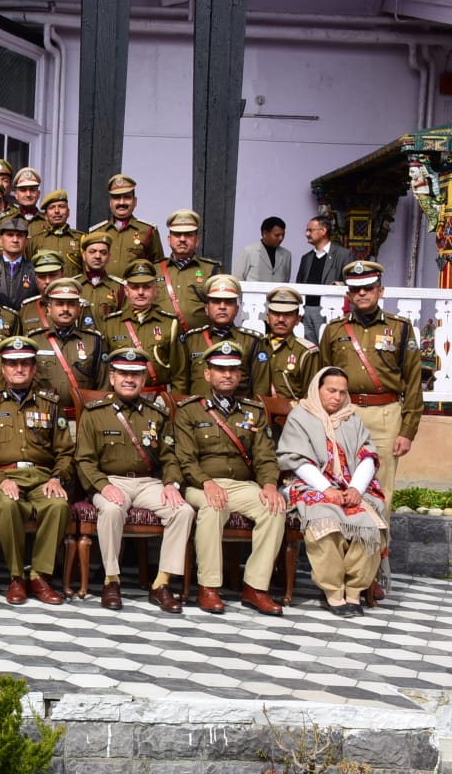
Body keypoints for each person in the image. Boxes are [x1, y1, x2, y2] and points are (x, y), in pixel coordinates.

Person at [172, 341, 287, 616]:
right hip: (202, 484)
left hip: (242, 485)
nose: (227, 375)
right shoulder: (190, 410)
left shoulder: (253, 411)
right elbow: (185, 458)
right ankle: (208, 587)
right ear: (207, 374)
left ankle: (255, 587)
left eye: (233, 370)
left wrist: (270, 485)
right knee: (214, 507)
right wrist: (206, 482)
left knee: (274, 508)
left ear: (240, 374)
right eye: (220, 369)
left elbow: (265, 457)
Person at [74, 348, 192, 612]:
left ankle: (161, 583)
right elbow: (84, 460)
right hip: (110, 480)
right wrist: (104, 486)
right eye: (123, 374)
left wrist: (172, 485)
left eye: (136, 374)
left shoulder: (157, 415)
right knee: (113, 509)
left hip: (149, 482)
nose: (129, 379)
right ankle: (111, 580)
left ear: (143, 380)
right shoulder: (95, 413)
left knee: (182, 511)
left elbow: (171, 457)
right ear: (112, 378)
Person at [0, 337, 73, 605]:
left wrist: (57, 477)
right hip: (3, 477)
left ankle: (39, 575)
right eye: (13, 364)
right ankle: (16, 576)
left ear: (34, 368)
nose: (19, 369)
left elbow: (65, 451)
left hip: (41, 478)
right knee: (7, 505)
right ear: (2, 369)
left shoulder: (49, 403)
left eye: (25, 364)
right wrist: (1, 480)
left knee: (58, 505)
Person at [277, 367, 388, 616]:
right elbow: (296, 460)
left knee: (369, 524)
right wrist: (326, 488)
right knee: (325, 521)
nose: (337, 397)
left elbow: (367, 456)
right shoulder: (300, 417)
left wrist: (356, 489)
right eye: (331, 391)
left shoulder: (352, 418)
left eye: (342, 392)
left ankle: (354, 591)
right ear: (317, 389)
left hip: (351, 487)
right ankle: (333, 591)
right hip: (311, 485)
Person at [318, 260, 421, 512]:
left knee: (381, 487)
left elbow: (413, 382)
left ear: (380, 290)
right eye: (355, 289)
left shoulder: (400, 328)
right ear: (348, 294)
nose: (362, 293)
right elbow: (321, 380)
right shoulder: (334, 330)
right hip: (344, 415)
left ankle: (378, 550)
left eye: (368, 287)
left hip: (385, 413)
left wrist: (407, 430)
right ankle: (349, 546)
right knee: (342, 481)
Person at [171, 275, 270, 398]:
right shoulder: (191, 340)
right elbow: (181, 383)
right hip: (198, 414)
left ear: (237, 309)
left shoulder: (252, 341)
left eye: (228, 302)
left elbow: (261, 390)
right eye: (216, 301)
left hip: (239, 414)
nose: (222, 307)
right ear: (206, 309)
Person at [99, 260, 178, 392]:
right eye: (135, 287)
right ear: (126, 290)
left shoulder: (169, 323)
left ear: (155, 289)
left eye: (146, 287)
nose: (141, 292)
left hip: (158, 399)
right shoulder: (110, 324)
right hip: (120, 397)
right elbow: (104, 372)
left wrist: (174, 404)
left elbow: (179, 374)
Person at [153, 209, 221, 333]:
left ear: (197, 241)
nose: (182, 239)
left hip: (198, 342)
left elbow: (220, 308)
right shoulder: (155, 270)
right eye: (177, 235)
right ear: (169, 240)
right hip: (162, 340)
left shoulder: (211, 270)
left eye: (188, 234)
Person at [89, 173, 164, 277]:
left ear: (135, 201)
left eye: (127, 197)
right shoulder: (96, 232)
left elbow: (159, 269)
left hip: (135, 291)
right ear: (110, 202)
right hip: (103, 292)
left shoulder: (148, 231)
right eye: (116, 198)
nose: (122, 202)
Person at [295, 215, 355, 344]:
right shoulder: (306, 258)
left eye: (311, 230)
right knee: (309, 349)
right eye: (307, 230)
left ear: (323, 231)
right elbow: (299, 285)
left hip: (329, 311)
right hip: (306, 311)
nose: (307, 234)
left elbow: (351, 284)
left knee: (327, 348)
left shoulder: (343, 255)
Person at [263, 286, 320, 399]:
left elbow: (311, 395)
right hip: (259, 414)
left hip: (291, 414)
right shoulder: (257, 346)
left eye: (288, 314)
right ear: (268, 317)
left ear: (298, 319)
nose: (281, 319)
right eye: (275, 313)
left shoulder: (306, 352)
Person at [232, 217, 291, 283]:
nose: (281, 238)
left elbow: (286, 281)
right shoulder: (248, 251)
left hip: (277, 293)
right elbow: (237, 279)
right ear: (264, 233)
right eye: (277, 235)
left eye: (283, 235)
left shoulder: (287, 255)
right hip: (253, 293)